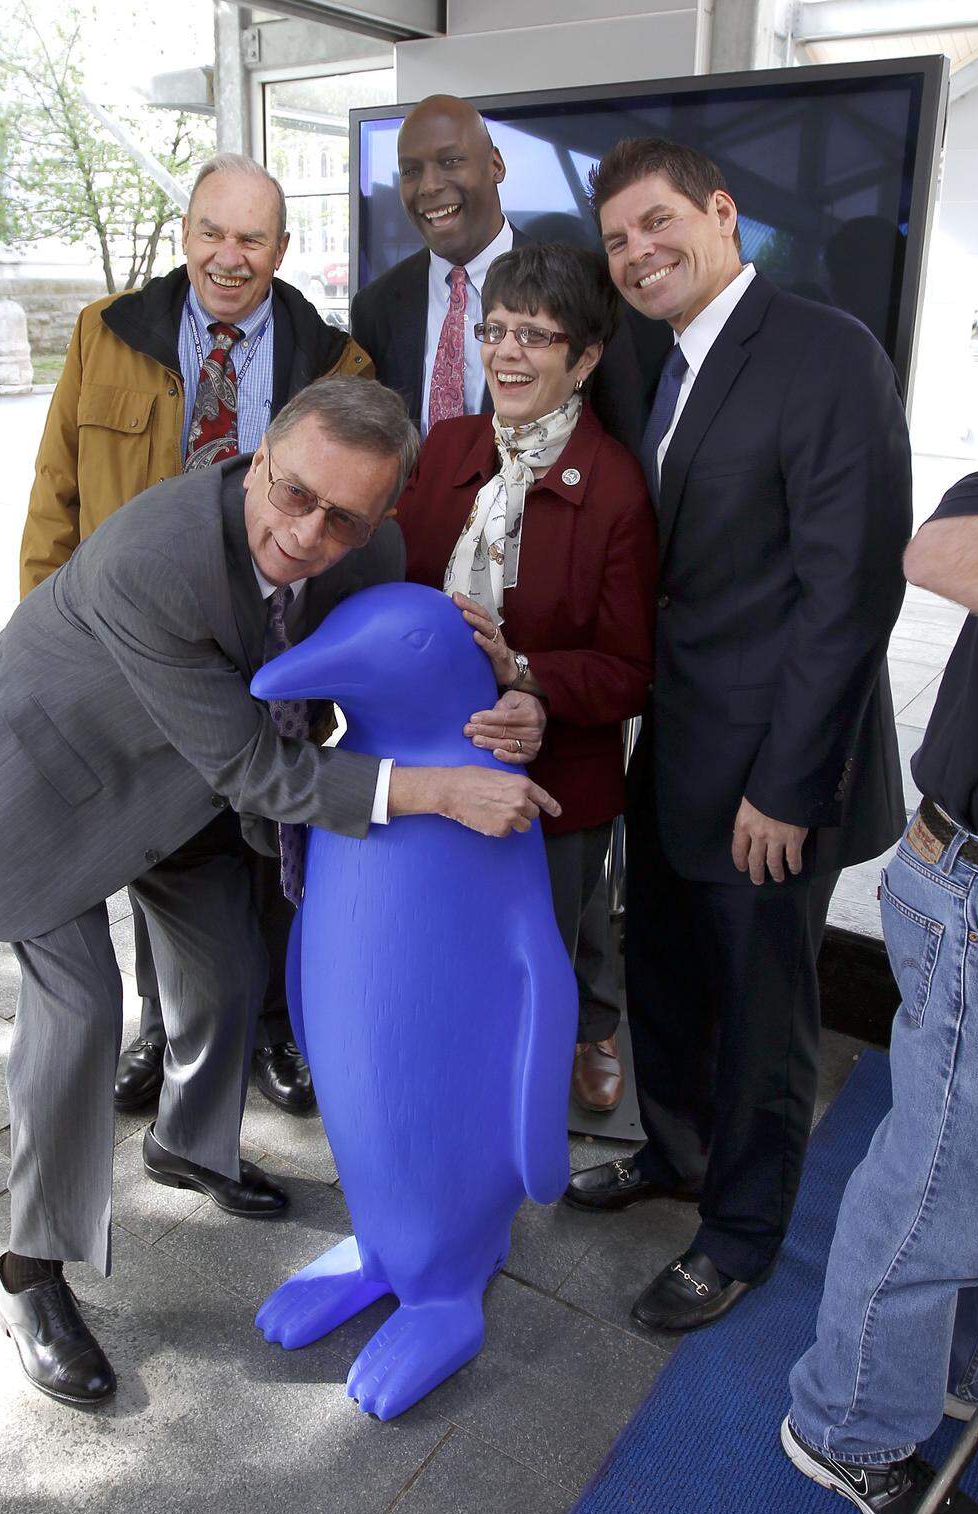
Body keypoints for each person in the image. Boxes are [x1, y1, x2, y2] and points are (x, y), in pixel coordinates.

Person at [0, 378, 559, 1406]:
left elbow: (410, 661)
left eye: (343, 519)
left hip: (182, 787)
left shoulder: (370, 554)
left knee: (226, 971)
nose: (306, 534)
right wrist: (436, 789)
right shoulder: (154, 557)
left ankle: (188, 1145)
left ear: (381, 519)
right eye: (293, 494)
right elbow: (258, 769)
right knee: (80, 1015)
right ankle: (31, 1272)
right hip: (39, 789)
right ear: (259, 459)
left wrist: (514, 691)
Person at [566, 136, 912, 1334]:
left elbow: (850, 593)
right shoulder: (650, 363)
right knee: (662, 966)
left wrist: (791, 786)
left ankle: (743, 1233)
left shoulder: (827, 353)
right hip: (677, 740)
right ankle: (676, 1153)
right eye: (618, 240)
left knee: (762, 1015)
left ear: (722, 212)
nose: (638, 252)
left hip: (775, 763)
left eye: (658, 222)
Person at [21, 152, 369, 1118]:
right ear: (185, 234)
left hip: (270, 654)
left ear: (281, 249)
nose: (229, 255)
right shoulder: (105, 335)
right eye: (212, 231)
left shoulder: (335, 364)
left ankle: (274, 1027)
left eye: (251, 238)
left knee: (271, 839)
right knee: (149, 840)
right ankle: (161, 1025)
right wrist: (47, 654)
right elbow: (55, 497)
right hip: (131, 655)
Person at [353, 98, 656, 1106]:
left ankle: (580, 1038)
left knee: (553, 944)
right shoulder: (443, 446)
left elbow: (628, 670)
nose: (508, 354)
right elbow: (389, 590)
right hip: (436, 756)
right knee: (457, 939)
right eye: (496, 330)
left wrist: (530, 679)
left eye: (536, 335)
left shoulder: (615, 489)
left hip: (555, 770)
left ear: (585, 357)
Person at [782, 470, 978, 1514]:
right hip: (976, 888)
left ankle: (957, 1364)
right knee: (941, 1180)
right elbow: (938, 551)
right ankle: (848, 1426)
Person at [349, 94, 658, 458]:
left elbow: (622, 437)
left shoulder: (585, 287)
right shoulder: (376, 306)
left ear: (496, 165)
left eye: (450, 161)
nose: (429, 186)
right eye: (410, 171)